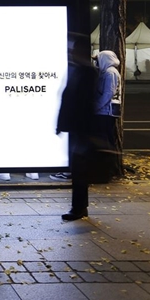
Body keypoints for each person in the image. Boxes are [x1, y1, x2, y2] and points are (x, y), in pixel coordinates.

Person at [57, 34, 97, 221]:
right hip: (77, 127)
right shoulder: (79, 70)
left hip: (82, 128)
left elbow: (82, 102)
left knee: (80, 169)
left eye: (74, 50)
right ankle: (79, 206)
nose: (71, 53)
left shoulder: (88, 72)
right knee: (77, 169)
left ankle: (79, 207)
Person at [93, 50, 123, 177]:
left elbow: (108, 93)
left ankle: (107, 170)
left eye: (98, 59)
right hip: (106, 111)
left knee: (105, 140)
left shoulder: (110, 73)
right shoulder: (109, 72)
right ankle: (107, 169)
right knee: (106, 139)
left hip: (106, 112)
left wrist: (96, 107)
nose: (96, 62)